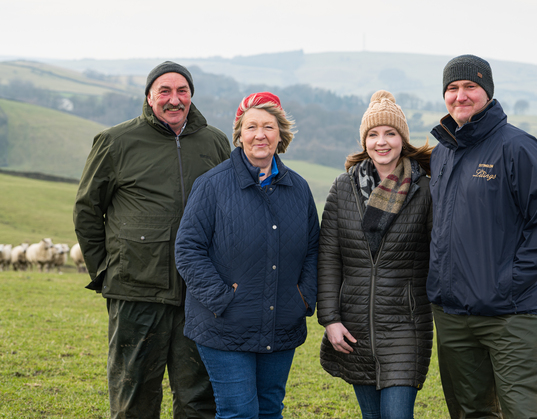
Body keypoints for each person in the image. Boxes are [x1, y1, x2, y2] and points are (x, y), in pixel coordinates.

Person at [73, 61, 231, 418]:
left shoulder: (215, 142)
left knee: (199, 400)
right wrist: (105, 270)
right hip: (136, 291)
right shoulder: (115, 142)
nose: (174, 100)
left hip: (199, 294)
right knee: (134, 397)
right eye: (165, 91)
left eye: (182, 92)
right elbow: (86, 210)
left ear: (191, 96)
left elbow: (231, 207)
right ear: (148, 96)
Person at [427, 54, 537, 418]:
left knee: (527, 411)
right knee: (471, 412)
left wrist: (508, 284)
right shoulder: (442, 152)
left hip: (509, 315)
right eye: (452, 88)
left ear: (487, 92)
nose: (460, 95)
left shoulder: (517, 147)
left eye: (470, 87)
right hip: (452, 314)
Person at [174, 92, 319, 419]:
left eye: (269, 127)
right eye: (251, 126)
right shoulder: (212, 185)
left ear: (280, 134)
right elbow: (188, 249)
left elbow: (313, 250)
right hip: (224, 325)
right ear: (239, 134)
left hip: (282, 323)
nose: (260, 135)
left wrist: (302, 298)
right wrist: (223, 299)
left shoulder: (299, 189)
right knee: (238, 412)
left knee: (269, 410)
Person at [317, 90, 434, 419]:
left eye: (390, 133)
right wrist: (331, 319)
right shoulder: (343, 188)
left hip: (405, 325)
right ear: (364, 141)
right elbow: (329, 258)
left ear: (403, 139)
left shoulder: (425, 190)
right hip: (354, 327)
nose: (381, 142)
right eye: (373, 134)